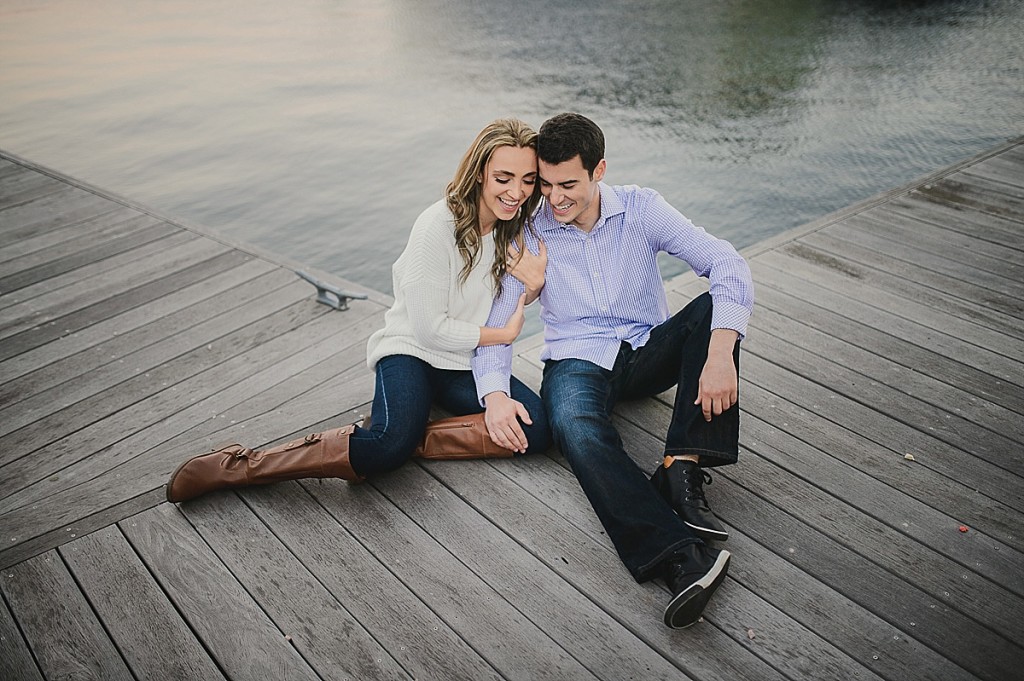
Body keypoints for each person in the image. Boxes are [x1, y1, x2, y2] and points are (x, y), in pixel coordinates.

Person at [166, 118, 551, 503]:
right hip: (412, 351)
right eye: (504, 178)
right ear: (480, 172)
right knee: (385, 447)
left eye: (528, 180)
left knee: (535, 428)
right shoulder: (437, 226)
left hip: (465, 360)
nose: (516, 192)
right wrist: (503, 337)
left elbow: (503, 307)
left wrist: (531, 291)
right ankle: (242, 466)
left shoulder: (515, 229)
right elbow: (431, 330)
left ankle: (402, 438)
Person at [473, 113, 754, 629]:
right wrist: (493, 393)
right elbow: (498, 319)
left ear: (599, 170)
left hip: (646, 349)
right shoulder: (528, 230)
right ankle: (679, 557)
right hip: (576, 358)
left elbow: (728, 264)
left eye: (568, 185)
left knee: (717, 310)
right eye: (547, 184)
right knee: (576, 430)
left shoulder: (643, 208)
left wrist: (719, 352)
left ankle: (682, 467)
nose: (554, 198)